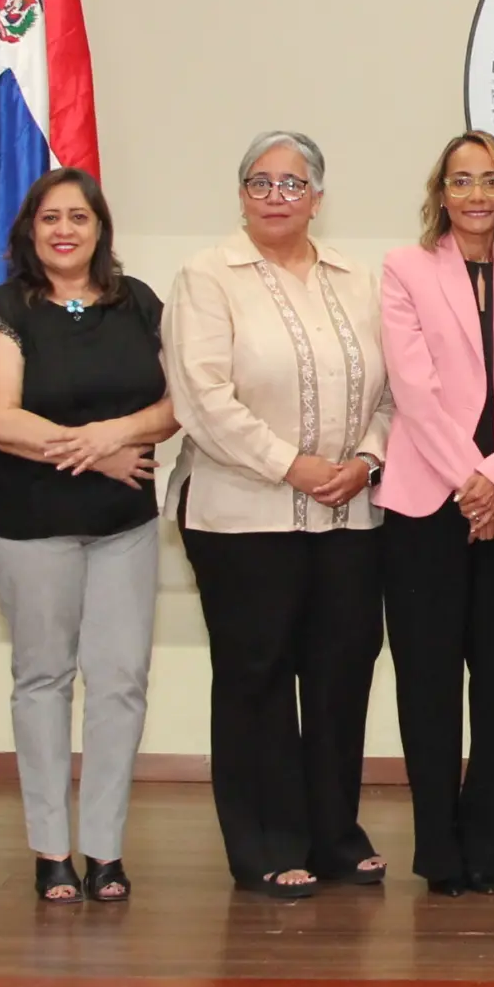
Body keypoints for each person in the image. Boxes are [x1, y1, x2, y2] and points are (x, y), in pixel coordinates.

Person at [165, 131, 391, 899]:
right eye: (260, 184)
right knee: (256, 678)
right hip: (242, 516)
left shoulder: (357, 279)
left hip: (347, 514)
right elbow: (202, 399)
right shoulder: (207, 277)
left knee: (339, 675)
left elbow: (395, 394)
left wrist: (365, 459)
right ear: (240, 195)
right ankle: (265, 842)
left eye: (292, 185)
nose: (276, 197)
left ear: (318, 199)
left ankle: (334, 834)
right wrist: (291, 465)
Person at [0, 168, 176, 906]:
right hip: (27, 523)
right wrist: (94, 451)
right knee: (44, 678)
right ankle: (52, 850)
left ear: (99, 229)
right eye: (49, 218)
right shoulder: (1, 312)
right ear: (29, 230)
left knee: (121, 682)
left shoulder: (138, 302)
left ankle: (105, 851)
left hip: (124, 522)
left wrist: (113, 437)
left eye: (78, 218)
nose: (64, 230)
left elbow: (177, 401)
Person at [377, 132, 494, 896]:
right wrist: (469, 483)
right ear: (441, 193)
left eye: (491, 181)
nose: (478, 194)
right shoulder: (405, 269)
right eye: (462, 181)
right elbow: (413, 391)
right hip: (427, 502)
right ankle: (439, 852)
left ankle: (489, 849)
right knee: (426, 682)